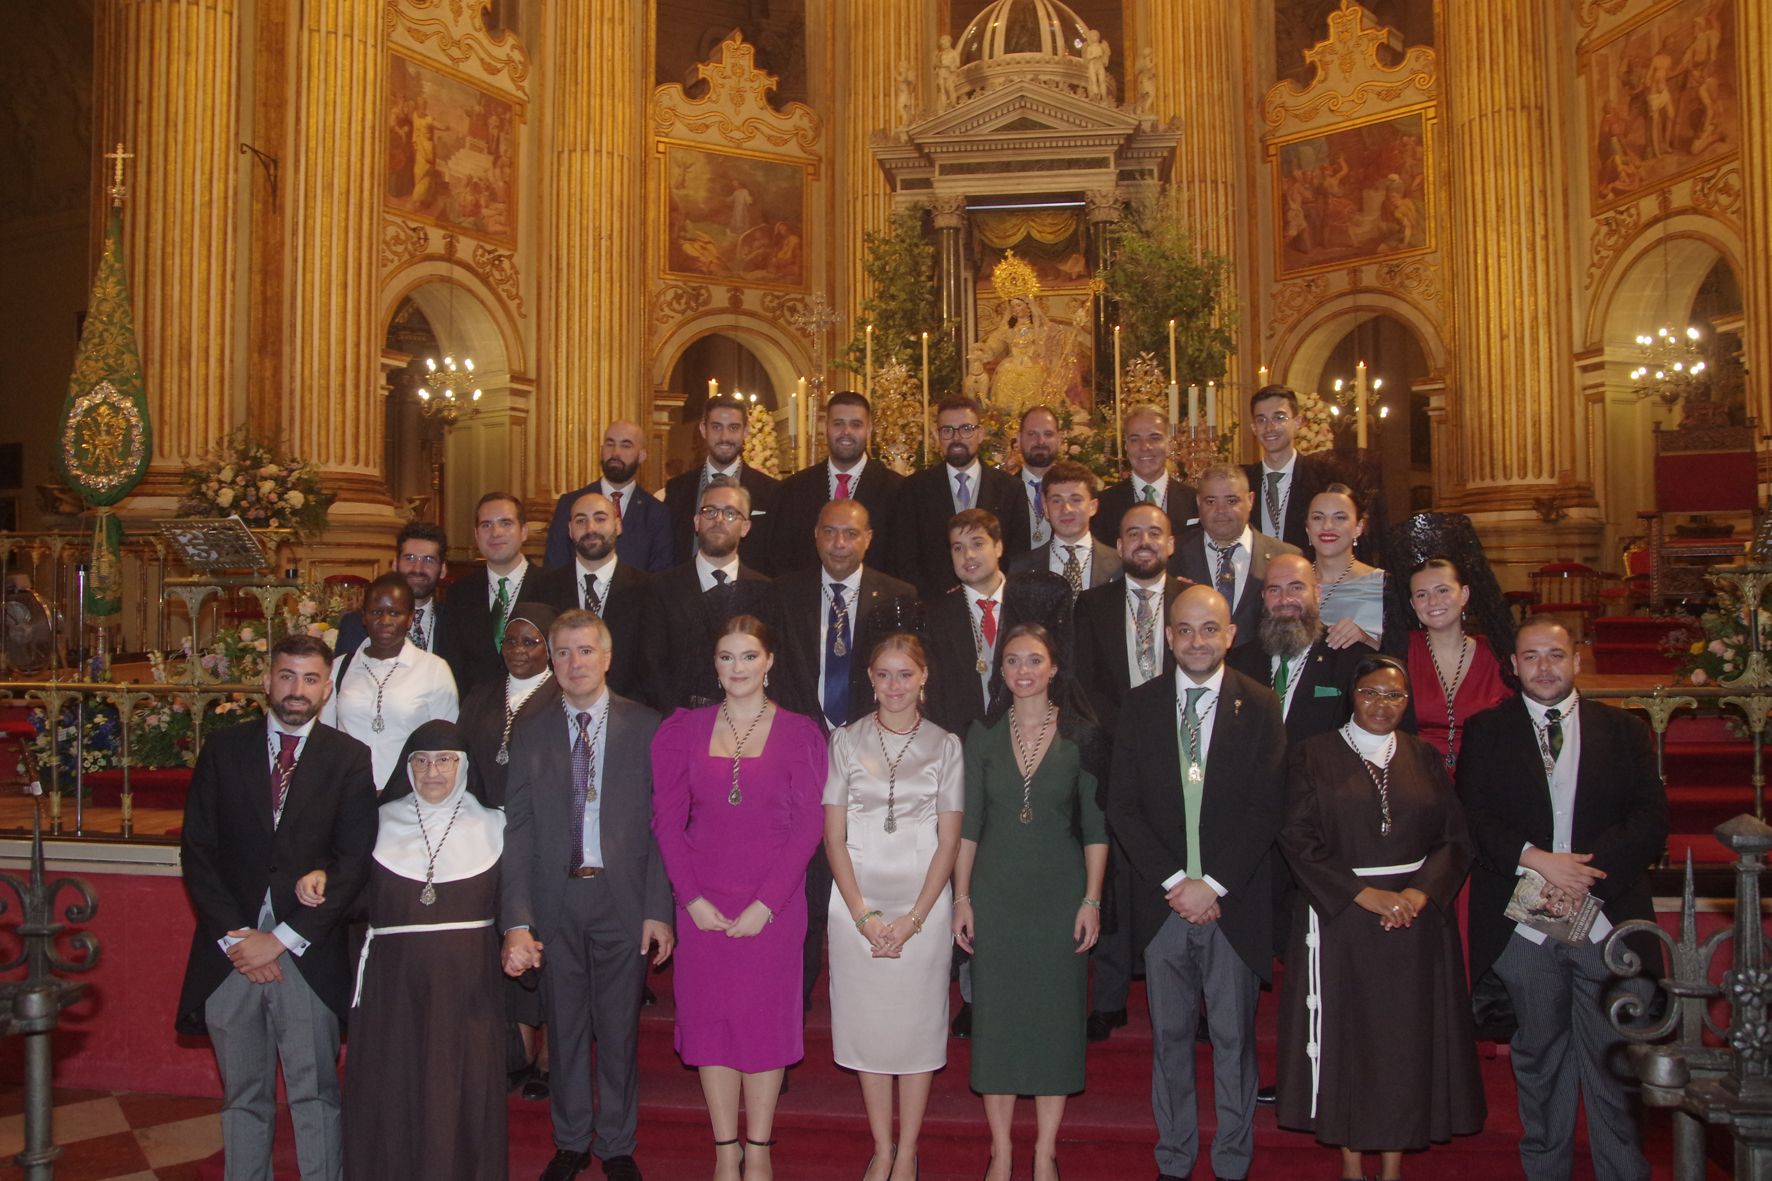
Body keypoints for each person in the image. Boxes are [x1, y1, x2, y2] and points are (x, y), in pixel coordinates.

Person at [1458, 618, 1667, 1181]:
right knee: (1539, 1058)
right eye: (1531, 656)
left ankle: (1622, 1171)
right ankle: (1545, 1170)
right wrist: (1537, 860)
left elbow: (1650, 820)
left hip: (1607, 920)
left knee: (1613, 1059)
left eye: (1555, 654)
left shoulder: (1623, 729)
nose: (1544, 667)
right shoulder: (1487, 731)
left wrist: (1582, 874)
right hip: (1523, 923)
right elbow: (1473, 817)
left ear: (1577, 660)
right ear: (1514, 666)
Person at [1274, 654, 1486, 1181]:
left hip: (1413, 923)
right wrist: (1360, 894)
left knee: (1404, 1047)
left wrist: (1419, 894)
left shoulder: (1423, 755)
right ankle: (1351, 1165)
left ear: (1406, 702)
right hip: (1342, 919)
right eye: (1370, 692)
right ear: (1353, 694)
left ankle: (1392, 1167)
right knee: (1351, 1043)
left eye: (1393, 695)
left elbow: (1454, 838)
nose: (1381, 704)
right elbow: (1297, 836)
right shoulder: (1313, 754)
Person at [174, 634, 377, 1181]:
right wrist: (238, 938)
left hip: (306, 953)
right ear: (267, 681)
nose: (296, 690)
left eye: (310, 679)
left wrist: (281, 939)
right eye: (287, 676)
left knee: (315, 1094)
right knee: (243, 1095)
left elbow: (353, 862)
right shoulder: (224, 750)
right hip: (231, 953)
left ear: (327, 689)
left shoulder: (348, 759)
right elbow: (198, 850)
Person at [1106, 586, 1287, 1181]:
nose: (1197, 641)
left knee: (1235, 1040)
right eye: (1184, 629)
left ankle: (1232, 1161)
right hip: (1165, 905)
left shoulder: (1260, 704)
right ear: (1168, 636)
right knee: (1170, 1039)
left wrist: (1212, 884)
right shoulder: (1139, 705)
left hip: (1231, 904)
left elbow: (1268, 806)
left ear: (1231, 634)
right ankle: (1175, 1158)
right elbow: (1122, 806)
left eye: (1210, 629)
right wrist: (1176, 883)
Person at [650, 615, 827, 1181]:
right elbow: (666, 822)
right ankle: (726, 1149)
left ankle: (760, 1148)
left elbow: (809, 828)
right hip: (701, 900)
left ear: (769, 661)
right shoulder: (683, 729)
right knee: (711, 1025)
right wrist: (690, 900)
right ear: (714, 664)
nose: (737, 667)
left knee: (762, 1026)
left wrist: (766, 905)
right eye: (726, 657)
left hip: (773, 904)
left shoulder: (800, 733)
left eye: (749, 656)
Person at [501, 609, 676, 1181]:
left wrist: (659, 909)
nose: (573, 663)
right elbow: (517, 827)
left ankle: (618, 1143)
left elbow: (664, 827)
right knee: (565, 1026)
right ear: (552, 661)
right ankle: (572, 1140)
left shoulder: (647, 726)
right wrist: (517, 918)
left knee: (619, 1029)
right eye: (562, 652)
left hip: (621, 900)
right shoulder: (530, 729)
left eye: (585, 651)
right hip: (556, 900)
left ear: (607, 657)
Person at [952, 622, 1107, 1181]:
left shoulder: (1082, 735)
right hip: (995, 895)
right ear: (1001, 670)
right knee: (996, 1023)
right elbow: (969, 825)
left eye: (1035, 660)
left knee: (1054, 1024)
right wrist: (961, 897)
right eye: (1013, 660)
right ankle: (1001, 1150)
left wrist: (1092, 900)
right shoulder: (982, 735)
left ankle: (1044, 1151)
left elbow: (1096, 830)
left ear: (1054, 667)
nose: (1023, 671)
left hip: (1060, 897)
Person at [333, 721, 510, 1181]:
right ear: (407, 767)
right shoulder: (376, 823)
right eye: (421, 761)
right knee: (393, 1087)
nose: (433, 771)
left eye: (445, 760)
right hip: (392, 989)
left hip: (467, 987)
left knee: (462, 1088)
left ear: (463, 766)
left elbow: (514, 906)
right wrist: (319, 882)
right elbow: (350, 897)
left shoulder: (495, 825)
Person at [765, 497, 916, 1012]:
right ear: (815, 535)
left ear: (868, 539)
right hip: (798, 754)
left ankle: (870, 997)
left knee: (867, 869)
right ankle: (796, 993)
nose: (839, 543)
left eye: (850, 534)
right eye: (830, 532)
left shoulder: (896, 595)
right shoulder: (782, 593)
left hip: (873, 754)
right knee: (802, 880)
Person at [823, 633, 964, 1181]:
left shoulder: (946, 745)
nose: (894, 685)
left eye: (905, 674)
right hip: (854, 905)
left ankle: (908, 1151)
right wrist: (863, 916)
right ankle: (882, 1146)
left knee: (916, 1031)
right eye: (884, 674)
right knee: (869, 1029)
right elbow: (833, 837)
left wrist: (914, 920)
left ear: (923, 677)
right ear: (870, 679)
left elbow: (949, 842)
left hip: (921, 909)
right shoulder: (844, 740)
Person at [1073, 502, 1190, 1042]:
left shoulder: (1192, 600)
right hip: (1114, 756)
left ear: (1171, 543)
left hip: (1185, 753)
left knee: (1181, 865)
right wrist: (1126, 735)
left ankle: (1191, 996)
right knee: (1114, 876)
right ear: (1118, 546)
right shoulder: (1091, 604)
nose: (1144, 541)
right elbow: (1082, 682)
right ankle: (1111, 998)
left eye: (1154, 533)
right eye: (1133, 533)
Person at [458, 601, 558, 1099]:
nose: (518, 649)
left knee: (545, 939)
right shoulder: (481, 694)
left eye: (531, 641)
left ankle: (550, 1053)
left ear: (550, 649)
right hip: (485, 836)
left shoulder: (563, 695)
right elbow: (462, 762)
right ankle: (514, 1046)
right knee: (501, 937)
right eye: (511, 640)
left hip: (543, 837)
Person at [642, 475, 772, 714]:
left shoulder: (766, 591)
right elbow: (652, 667)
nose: (718, 519)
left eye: (730, 513)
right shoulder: (661, 587)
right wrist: (682, 721)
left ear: (745, 527)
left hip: (748, 722)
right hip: (679, 720)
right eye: (709, 511)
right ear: (696, 522)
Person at [322, 571, 459, 789]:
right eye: (376, 612)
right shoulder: (339, 668)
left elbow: (446, 746)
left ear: (410, 618)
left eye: (395, 613)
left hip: (409, 794)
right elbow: (324, 739)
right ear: (363, 617)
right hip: (347, 791)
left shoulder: (433, 669)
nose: (385, 621)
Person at [892, 395, 1031, 599]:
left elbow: (1020, 556)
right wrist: (934, 604)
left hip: (996, 604)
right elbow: (904, 558)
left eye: (966, 429)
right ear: (936, 436)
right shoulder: (914, 489)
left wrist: (998, 598)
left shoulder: (1011, 489)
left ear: (981, 434)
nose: (956, 438)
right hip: (934, 605)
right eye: (947, 430)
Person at [1228, 555, 1368, 744]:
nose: (1285, 599)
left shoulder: (1350, 659)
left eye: (1296, 587)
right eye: (1274, 590)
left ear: (1317, 593)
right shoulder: (1237, 664)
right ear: (1263, 597)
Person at [766, 391, 905, 577]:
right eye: (838, 423)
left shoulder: (897, 491)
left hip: (875, 594)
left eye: (856, 424)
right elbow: (780, 557)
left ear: (869, 430)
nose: (846, 432)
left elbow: (902, 560)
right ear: (826, 428)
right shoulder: (793, 489)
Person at [534, 489, 653, 703]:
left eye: (600, 519)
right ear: (570, 530)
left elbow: (653, 665)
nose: (590, 529)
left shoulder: (649, 589)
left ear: (618, 526)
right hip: (559, 709)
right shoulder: (544, 589)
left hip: (630, 711)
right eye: (581, 521)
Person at [1398, 555, 1513, 771]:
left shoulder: (1497, 655)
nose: (1433, 601)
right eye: (1422, 594)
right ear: (1413, 604)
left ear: (1464, 594)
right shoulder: (1401, 651)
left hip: (1487, 773)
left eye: (1443, 590)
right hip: (1416, 774)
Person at [1171, 463, 1301, 649]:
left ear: (1250, 500)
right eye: (1211, 501)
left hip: (1263, 665)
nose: (1221, 510)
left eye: (1231, 501)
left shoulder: (1285, 557)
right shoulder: (1172, 554)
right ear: (1198, 502)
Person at [663, 396, 781, 572]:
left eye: (733, 428)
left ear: (746, 431)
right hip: (687, 587)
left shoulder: (771, 491)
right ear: (703, 429)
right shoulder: (677, 489)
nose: (724, 437)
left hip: (749, 587)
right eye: (716, 427)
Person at [441, 491, 541, 697]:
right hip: (476, 709)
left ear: (523, 532)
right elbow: (452, 664)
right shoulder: (459, 593)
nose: (496, 532)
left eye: (506, 523)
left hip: (538, 708)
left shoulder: (551, 586)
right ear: (476, 535)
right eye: (486, 525)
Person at [544, 420, 674, 572]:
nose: (615, 453)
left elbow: (660, 575)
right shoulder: (570, 503)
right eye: (610, 444)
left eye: (626, 445)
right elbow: (555, 570)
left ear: (642, 455)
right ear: (601, 450)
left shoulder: (656, 513)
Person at [333, 521, 450, 656]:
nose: (417, 568)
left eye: (428, 560)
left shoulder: (455, 622)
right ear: (395, 564)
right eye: (410, 558)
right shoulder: (355, 624)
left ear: (442, 569)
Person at [1008, 459, 1122, 594]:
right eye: (1056, 501)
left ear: (1093, 507)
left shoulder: (1120, 564)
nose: (1066, 509)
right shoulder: (1022, 568)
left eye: (1076, 500)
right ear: (1046, 508)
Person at [1243, 385, 1332, 555]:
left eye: (1279, 418)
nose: (1270, 427)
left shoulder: (1321, 479)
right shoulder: (1243, 481)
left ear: (1297, 422)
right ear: (1254, 428)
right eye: (1261, 420)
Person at [1092, 406, 1199, 547]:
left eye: (1154, 438)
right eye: (1135, 439)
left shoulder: (1195, 501)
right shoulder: (1103, 505)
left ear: (1169, 444)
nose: (1144, 447)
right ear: (1126, 446)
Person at [1307, 484, 1385, 650]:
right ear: (1307, 528)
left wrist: (1365, 639)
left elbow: (1402, 655)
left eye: (1340, 518)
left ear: (1358, 527)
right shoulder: (1289, 584)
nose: (1327, 526)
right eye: (1318, 518)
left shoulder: (1383, 586)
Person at [1014, 405, 1062, 549]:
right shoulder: (1003, 492)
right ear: (1019, 438)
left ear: (1059, 439)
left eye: (1048, 434)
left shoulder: (1074, 493)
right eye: (1032, 434)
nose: (1040, 441)